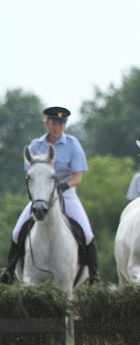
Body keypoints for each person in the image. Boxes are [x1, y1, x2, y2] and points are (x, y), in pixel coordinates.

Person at [0, 106, 100, 284]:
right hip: (41, 195)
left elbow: (78, 176)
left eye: (61, 123)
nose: (57, 127)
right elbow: (30, 174)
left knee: (87, 233)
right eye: (54, 123)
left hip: (66, 194)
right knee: (17, 232)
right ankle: (8, 270)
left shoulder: (72, 144)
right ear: (47, 122)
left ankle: (94, 275)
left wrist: (64, 185)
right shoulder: (36, 145)